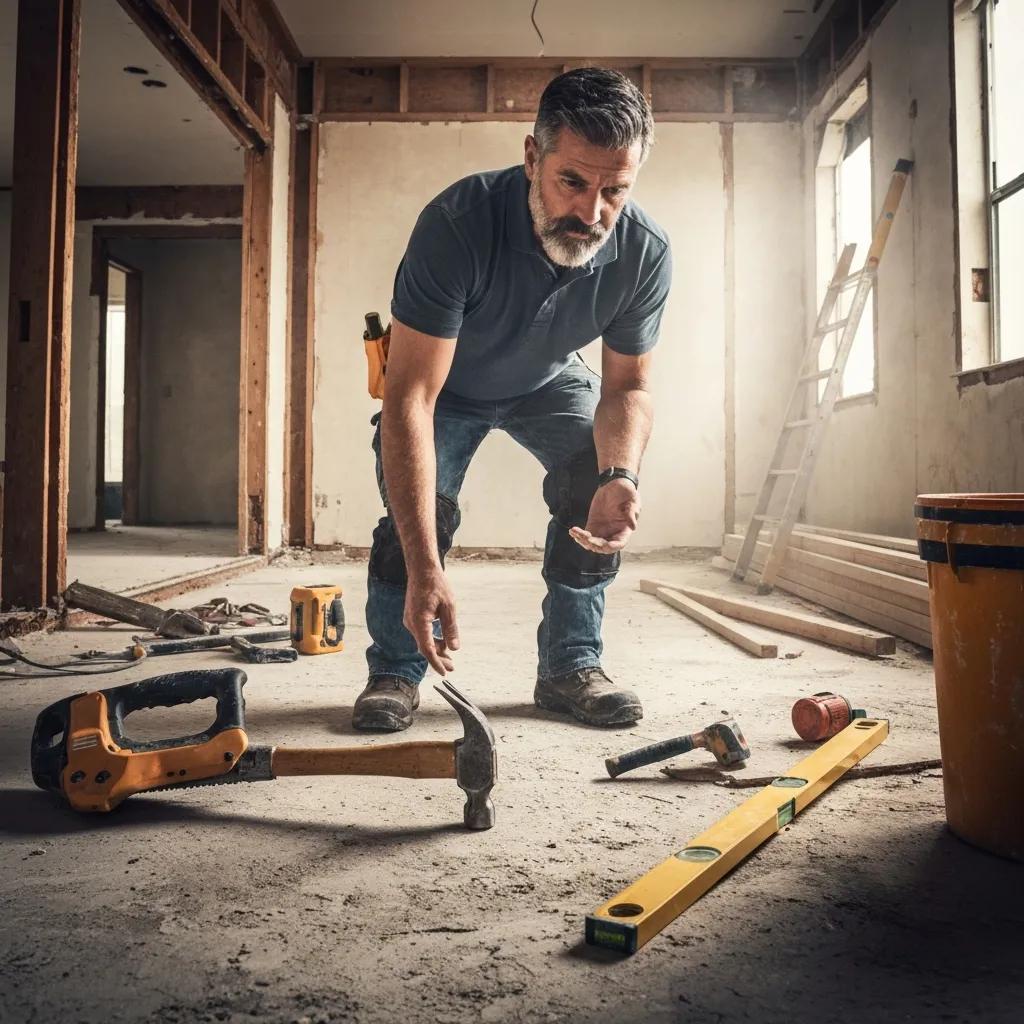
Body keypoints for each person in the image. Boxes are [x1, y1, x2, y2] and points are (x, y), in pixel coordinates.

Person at [354, 67, 672, 732]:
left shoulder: (642, 252)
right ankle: (394, 670)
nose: (592, 213)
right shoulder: (456, 226)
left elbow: (629, 386)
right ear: (533, 157)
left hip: (548, 379)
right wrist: (425, 565)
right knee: (416, 512)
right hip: (446, 388)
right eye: (572, 182)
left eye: (616, 190)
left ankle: (569, 669)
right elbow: (410, 395)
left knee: (597, 478)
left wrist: (620, 476)